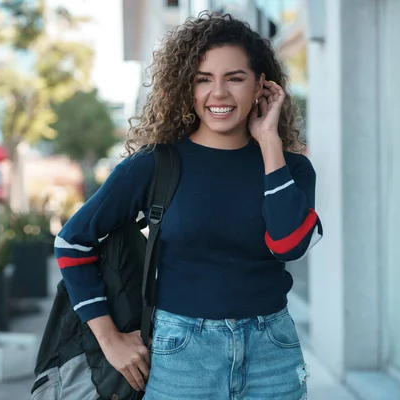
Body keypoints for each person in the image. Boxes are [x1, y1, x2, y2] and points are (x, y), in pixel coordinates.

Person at [55, 12, 323, 400]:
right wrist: (109, 338)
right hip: (181, 355)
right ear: (187, 87)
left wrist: (269, 143)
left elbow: (290, 246)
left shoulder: (290, 168)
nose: (219, 93)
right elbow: (72, 242)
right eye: (203, 80)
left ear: (261, 85)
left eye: (234, 78)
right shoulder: (155, 164)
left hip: (272, 352)